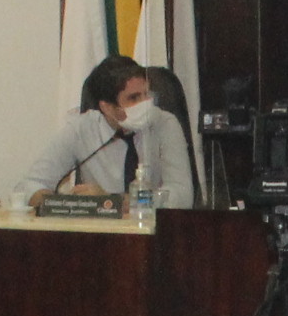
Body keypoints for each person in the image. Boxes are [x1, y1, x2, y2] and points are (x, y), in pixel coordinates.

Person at [18, 54, 201, 208]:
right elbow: (29, 185)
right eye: (134, 98)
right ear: (107, 107)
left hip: (154, 231)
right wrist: (63, 203)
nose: (145, 103)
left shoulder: (164, 124)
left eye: (147, 94)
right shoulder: (81, 129)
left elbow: (182, 196)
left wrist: (114, 201)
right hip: (102, 234)